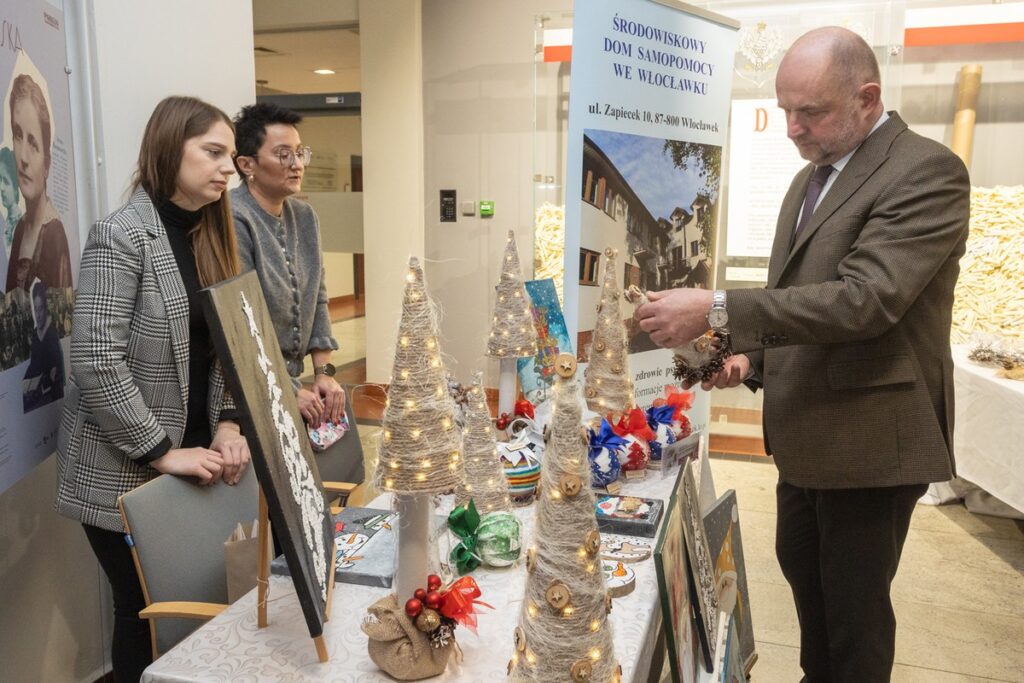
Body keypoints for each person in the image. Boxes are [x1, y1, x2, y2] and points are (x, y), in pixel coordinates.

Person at [637, 27, 969, 682]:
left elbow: (863, 302)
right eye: (785, 108)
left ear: (867, 97)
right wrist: (749, 360)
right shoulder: (811, 179)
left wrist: (716, 307)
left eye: (809, 111)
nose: (790, 126)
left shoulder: (925, 172)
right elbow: (799, 300)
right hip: (807, 440)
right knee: (812, 598)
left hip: (869, 447)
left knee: (854, 620)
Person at [55, 96, 251, 683]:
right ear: (170, 149)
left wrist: (229, 423)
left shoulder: (212, 235)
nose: (227, 169)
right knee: (145, 618)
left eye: (232, 157)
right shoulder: (122, 235)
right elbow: (94, 360)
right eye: (213, 152)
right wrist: (161, 450)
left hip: (198, 460)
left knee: (197, 605)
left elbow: (223, 350)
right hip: (124, 465)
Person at [230, 102, 345, 427]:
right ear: (247, 164)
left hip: (289, 383)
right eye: (283, 154)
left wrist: (324, 373)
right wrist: (285, 387)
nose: (297, 164)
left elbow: (318, 297)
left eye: (299, 152)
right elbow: (243, 322)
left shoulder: (304, 216)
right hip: (246, 387)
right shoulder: (234, 217)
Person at [6, 74, 73, 292]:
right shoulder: (19, 231)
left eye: (33, 143)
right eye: (18, 135)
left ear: (47, 165)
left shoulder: (54, 234)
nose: (23, 158)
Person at [22, 278, 64, 411]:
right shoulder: (35, 334)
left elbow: (57, 369)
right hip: (36, 390)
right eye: (36, 309)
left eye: (40, 309)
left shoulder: (52, 332)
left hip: (50, 396)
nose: (38, 315)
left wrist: (50, 375)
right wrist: (25, 382)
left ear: (45, 308)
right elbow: (34, 364)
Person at [0, 146, 23, 247]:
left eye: (6, 181)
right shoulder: (6, 222)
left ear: (15, 189)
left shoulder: (22, 226)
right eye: (0, 180)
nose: (1, 187)